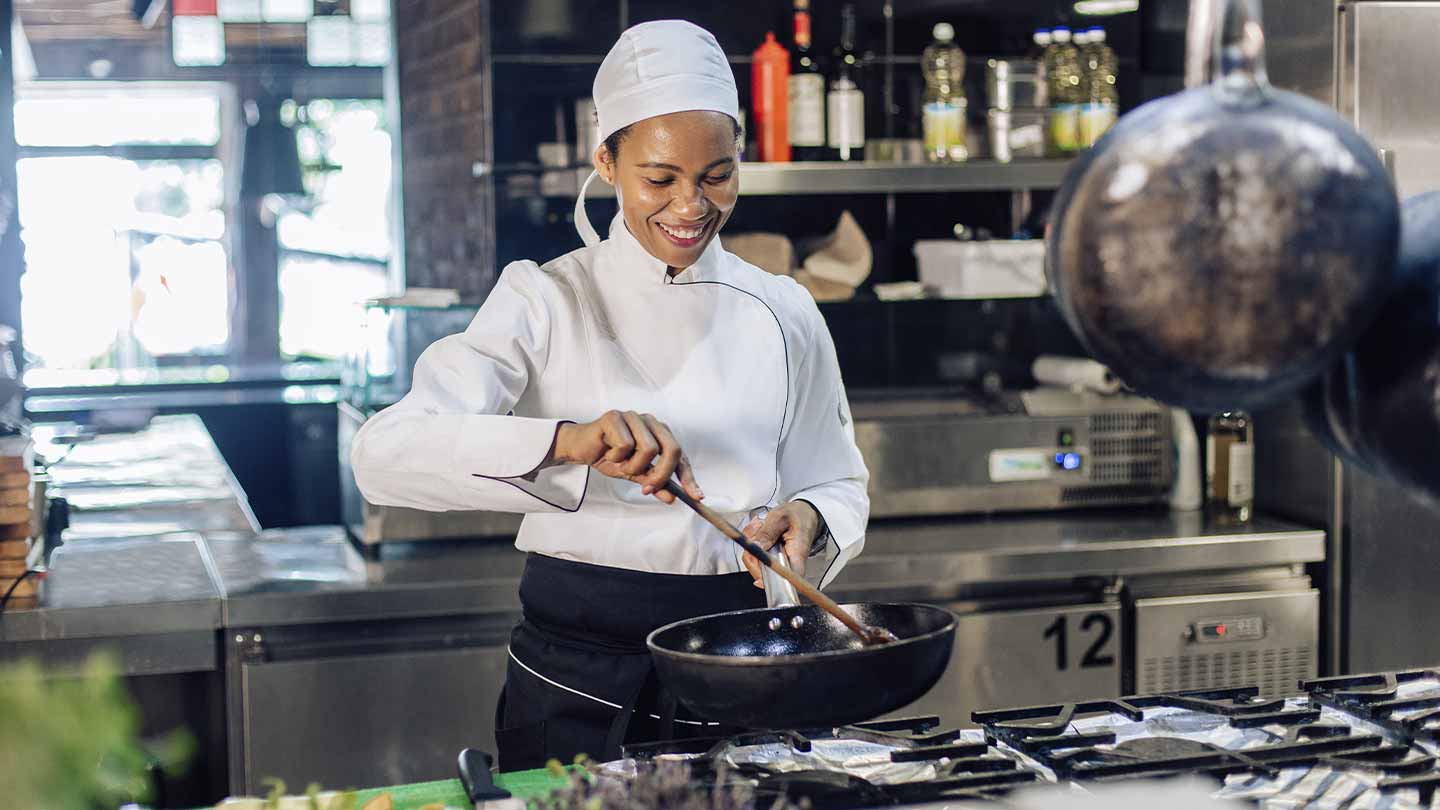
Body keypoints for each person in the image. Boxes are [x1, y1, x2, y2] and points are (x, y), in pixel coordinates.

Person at [350, 19, 869, 770]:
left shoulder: (785, 308)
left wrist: (810, 517)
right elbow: (384, 455)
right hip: (576, 675)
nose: (690, 206)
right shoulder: (543, 297)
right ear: (606, 160)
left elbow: (839, 477)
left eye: (717, 175)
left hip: (742, 664)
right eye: (659, 179)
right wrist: (569, 442)